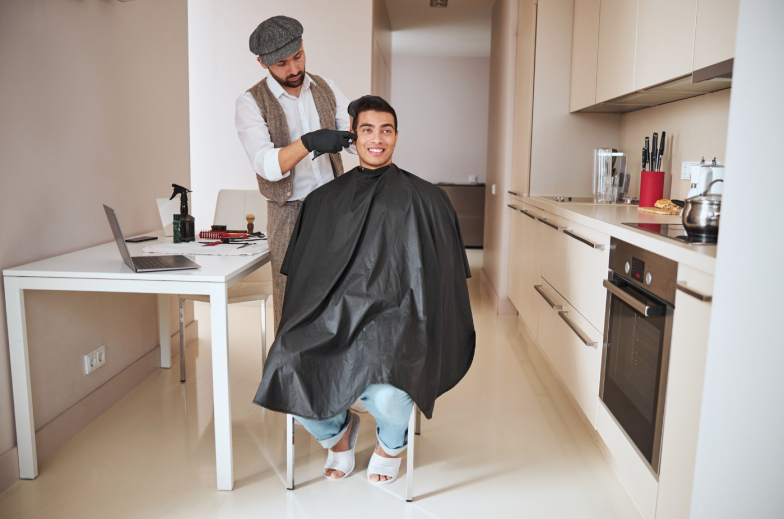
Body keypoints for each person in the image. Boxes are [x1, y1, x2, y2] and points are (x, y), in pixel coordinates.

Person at [253, 96, 475, 485]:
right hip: (335, 317)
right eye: (367, 130)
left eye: (386, 130)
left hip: (399, 318)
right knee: (285, 366)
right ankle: (338, 436)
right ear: (353, 136)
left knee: (391, 392)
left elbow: (443, 282)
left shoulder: (428, 200)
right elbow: (306, 282)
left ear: (396, 136)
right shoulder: (323, 201)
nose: (377, 139)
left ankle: (391, 443)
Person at [235, 15, 356, 333]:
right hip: (287, 214)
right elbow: (266, 166)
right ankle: (291, 380)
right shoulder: (250, 103)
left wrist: (367, 129)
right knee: (292, 304)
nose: (293, 70)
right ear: (263, 63)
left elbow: (353, 139)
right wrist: (308, 142)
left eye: (297, 57)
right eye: (281, 64)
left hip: (335, 208)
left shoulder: (326, 88)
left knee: (340, 297)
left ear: (303, 46)